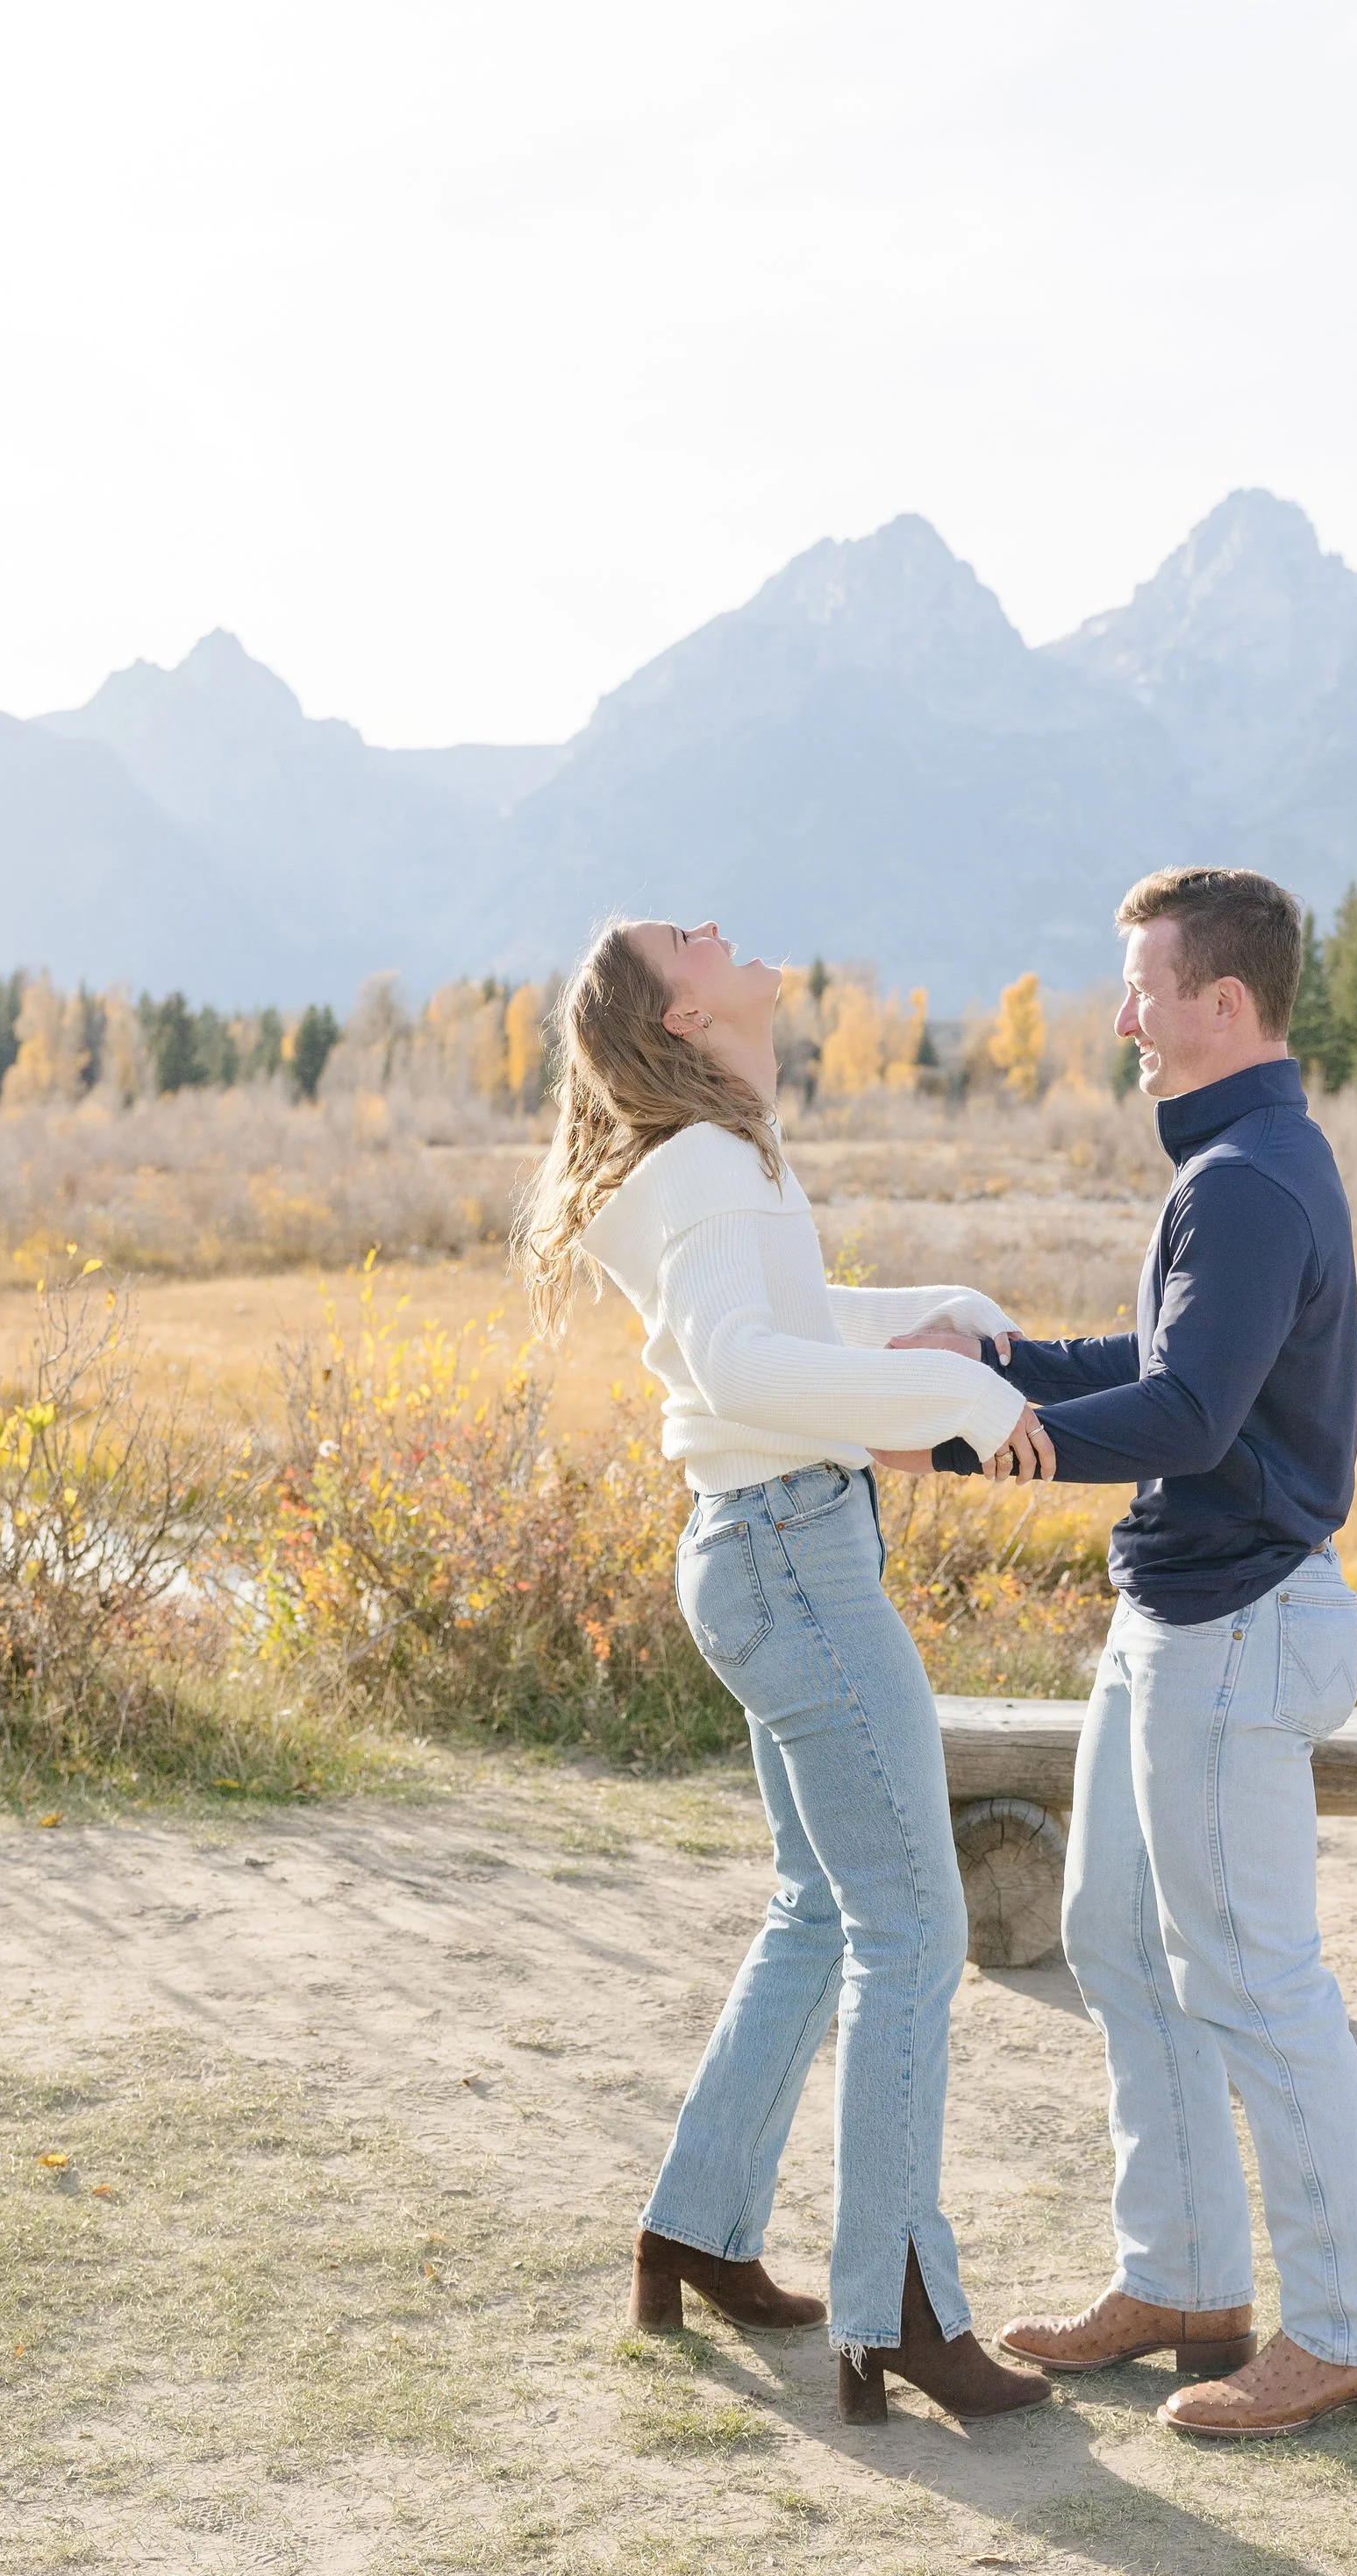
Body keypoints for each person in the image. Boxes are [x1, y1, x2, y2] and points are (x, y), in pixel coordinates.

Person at [889, 867, 1357, 2439]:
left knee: (1254, 1979)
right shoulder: (1236, 1168)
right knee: (1118, 1937)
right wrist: (1005, 1362)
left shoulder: (1250, 1179)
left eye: (1143, 987)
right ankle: (1186, 2280)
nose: (1121, 1016)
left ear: (1224, 1004)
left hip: (1232, 1626)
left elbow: (1190, 1417)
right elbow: (1179, 1359)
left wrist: (978, 1441)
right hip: (1171, 1620)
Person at [516, 915, 1053, 2426]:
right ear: (685, 1017)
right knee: (911, 1926)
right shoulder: (702, 1165)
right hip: (790, 1559)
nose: (725, 933)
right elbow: (749, 1371)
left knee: (825, 1908)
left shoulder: (719, 1152)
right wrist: (949, 1389)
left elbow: (777, 1333)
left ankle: (695, 2229)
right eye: (692, 938)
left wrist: (932, 1314)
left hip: (770, 1548)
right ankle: (896, 2310)